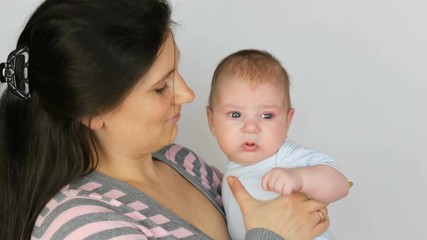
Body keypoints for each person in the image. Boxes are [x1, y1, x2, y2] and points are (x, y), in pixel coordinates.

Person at [0, 1, 330, 239]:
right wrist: (271, 234)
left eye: (178, 72)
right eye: (161, 87)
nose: (187, 94)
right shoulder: (79, 225)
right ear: (92, 113)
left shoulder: (184, 163)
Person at [206, 49, 351, 240]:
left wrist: (299, 177)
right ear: (212, 121)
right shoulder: (227, 175)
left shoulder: (287, 157)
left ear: (287, 121)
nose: (251, 127)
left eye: (267, 116)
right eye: (235, 114)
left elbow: (340, 185)